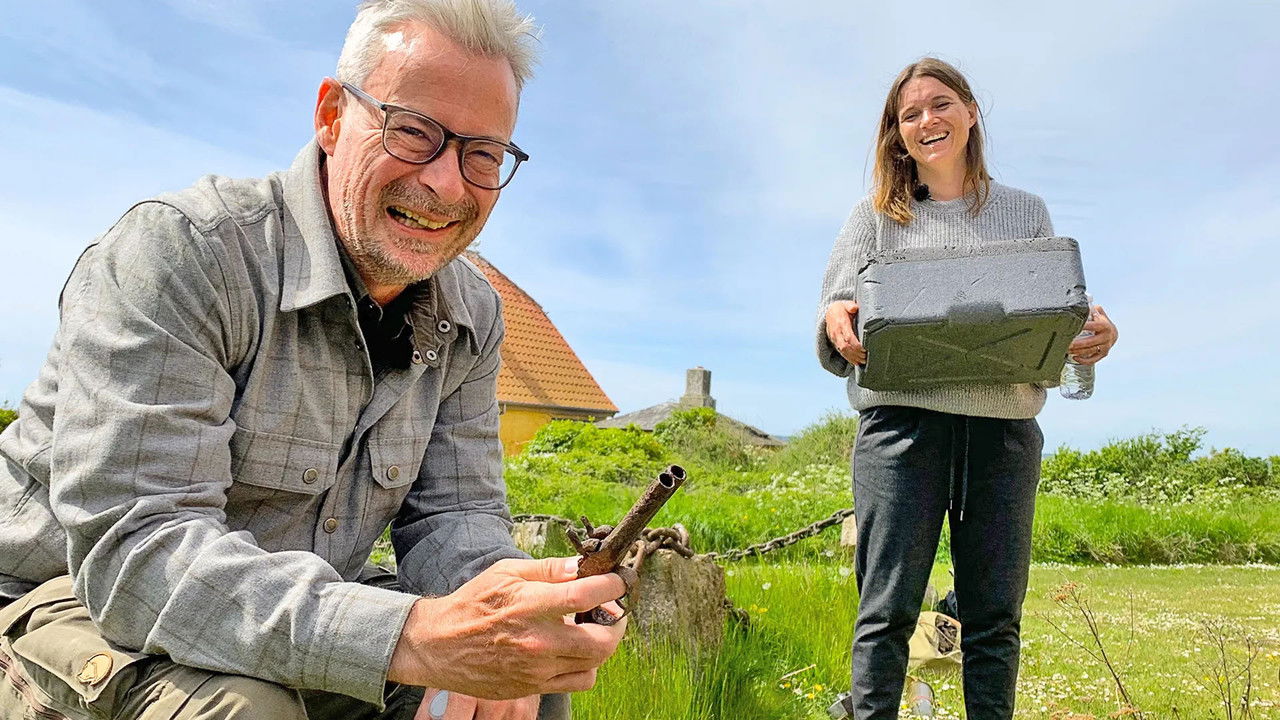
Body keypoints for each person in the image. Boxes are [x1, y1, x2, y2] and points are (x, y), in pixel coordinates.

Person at [0, 1, 627, 719]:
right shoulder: (185, 254)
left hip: (284, 617)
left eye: (482, 155)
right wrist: (414, 637)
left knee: (527, 690)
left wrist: (511, 605)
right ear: (331, 116)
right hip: (61, 601)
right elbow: (139, 552)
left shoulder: (472, 315)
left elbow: (457, 516)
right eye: (414, 131)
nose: (448, 184)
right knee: (247, 710)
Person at [816, 58, 1118, 719]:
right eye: (910, 113)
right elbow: (836, 314)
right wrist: (834, 320)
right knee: (887, 612)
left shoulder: (1027, 214)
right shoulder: (870, 220)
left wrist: (1091, 339)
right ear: (897, 134)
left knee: (993, 616)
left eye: (941, 103)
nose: (928, 120)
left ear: (972, 112)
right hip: (900, 431)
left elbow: (1059, 328)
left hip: (1003, 434)